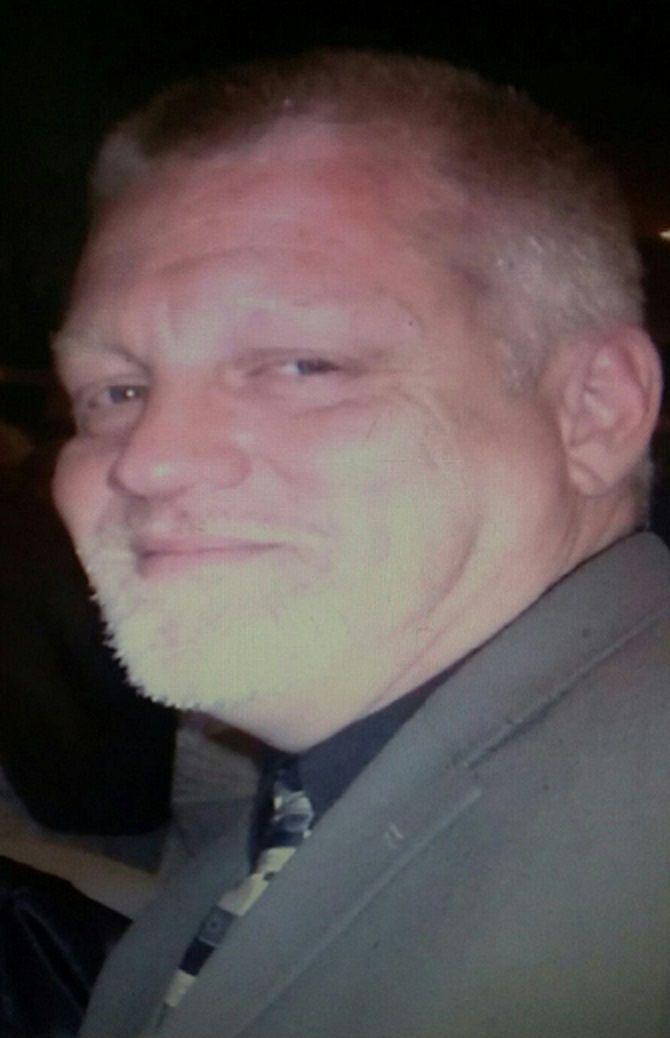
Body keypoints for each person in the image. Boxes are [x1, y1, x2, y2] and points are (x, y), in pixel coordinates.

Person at [50, 49, 669, 1037]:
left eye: (303, 365)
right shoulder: (331, 781)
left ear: (592, 411)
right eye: (114, 392)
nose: (149, 461)